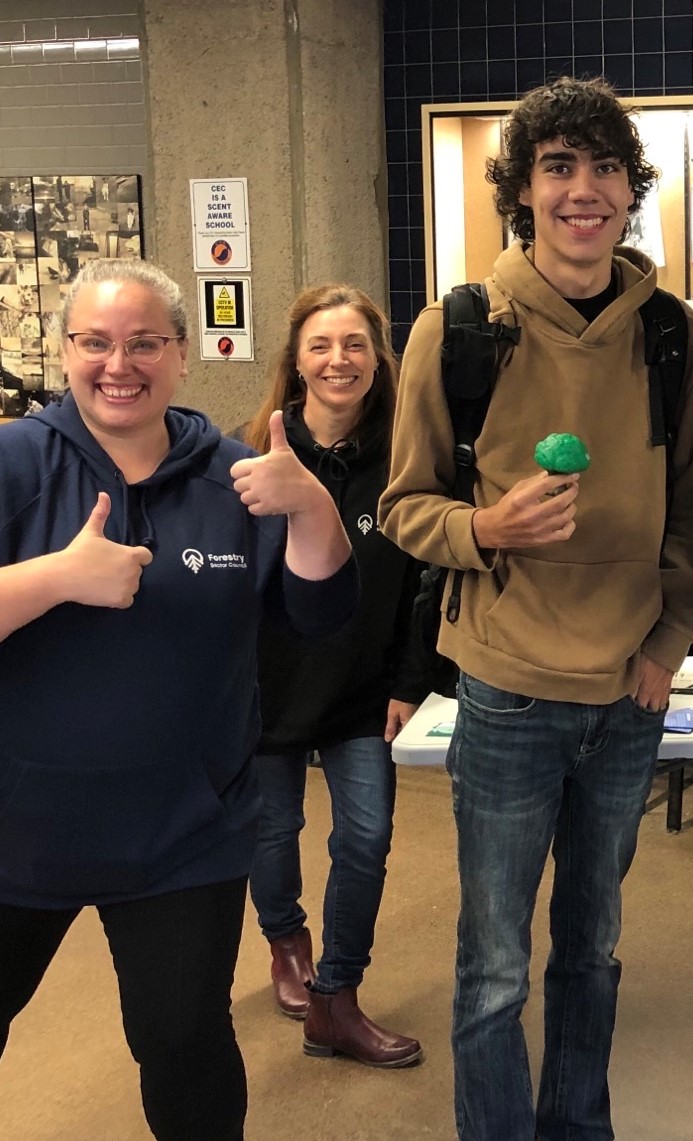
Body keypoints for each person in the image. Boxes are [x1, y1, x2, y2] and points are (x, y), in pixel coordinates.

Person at [0, 258, 355, 1141]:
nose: (116, 363)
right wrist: (52, 577)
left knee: (181, 1035)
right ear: (66, 351)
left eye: (142, 342)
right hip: (11, 828)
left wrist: (311, 507)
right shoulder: (4, 462)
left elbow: (319, 612)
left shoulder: (234, 474)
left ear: (181, 354)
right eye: (94, 340)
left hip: (183, 833)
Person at [379, 76, 693, 1141]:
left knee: (593, 949)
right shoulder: (463, 324)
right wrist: (485, 528)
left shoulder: (673, 334)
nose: (583, 191)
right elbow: (403, 506)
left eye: (603, 168)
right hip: (508, 689)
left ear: (632, 190)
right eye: (557, 169)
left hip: (626, 692)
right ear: (523, 190)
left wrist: (670, 642)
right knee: (491, 966)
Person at [238, 285, 425, 1069]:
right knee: (273, 831)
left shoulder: (408, 463)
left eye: (354, 344)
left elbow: (425, 582)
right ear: (296, 362)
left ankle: (336, 996)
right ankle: (286, 938)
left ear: (379, 361)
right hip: (269, 690)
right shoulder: (253, 460)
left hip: (363, 692)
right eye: (321, 345)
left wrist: (411, 684)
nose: (337, 360)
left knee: (367, 838)